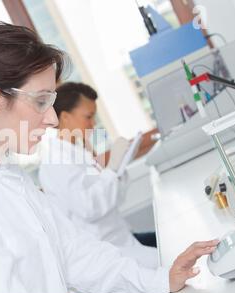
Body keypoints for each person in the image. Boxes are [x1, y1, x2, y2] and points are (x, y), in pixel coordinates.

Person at [0, 21, 219, 293]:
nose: (51, 119)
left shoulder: (3, 174)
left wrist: (161, 280)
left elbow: (73, 252)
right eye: (42, 101)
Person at [38, 82, 158, 269]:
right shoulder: (57, 162)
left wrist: (118, 169)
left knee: (167, 245)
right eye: (88, 117)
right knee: (168, 259)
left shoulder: (79, 152)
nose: (93, 124)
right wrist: (110, 171)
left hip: (121, 239)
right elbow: (88, 208)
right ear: (65, 117)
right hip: (104, 252)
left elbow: (114, 199)